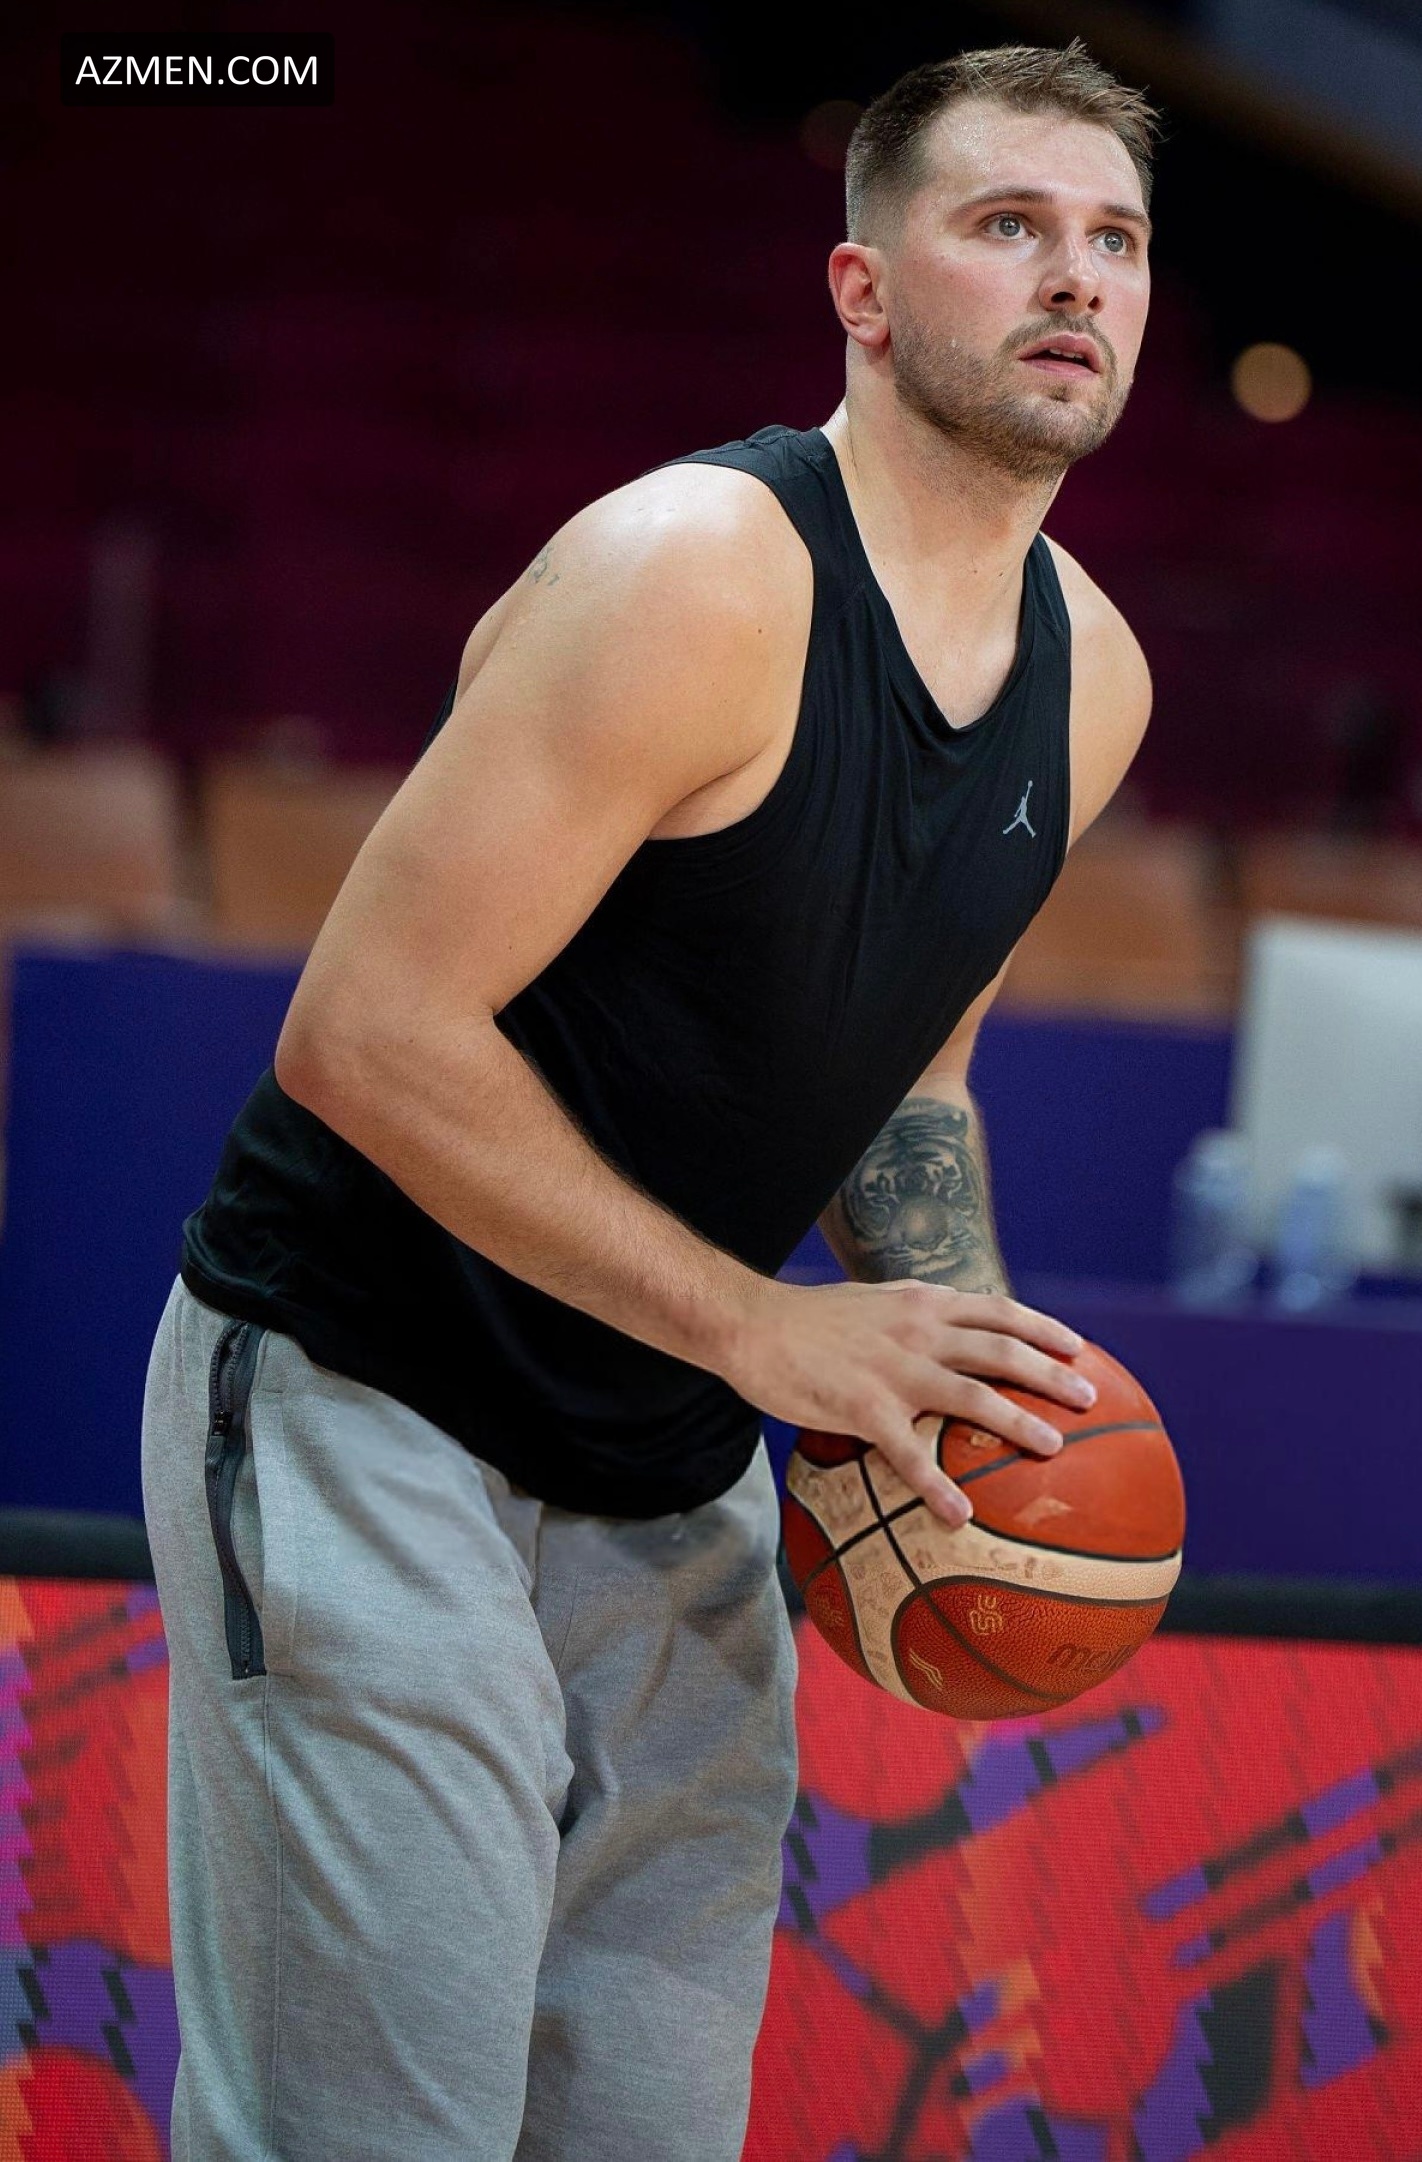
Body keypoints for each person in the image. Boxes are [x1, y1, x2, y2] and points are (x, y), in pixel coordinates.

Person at [143, 38, 1159, 2162]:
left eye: (1114, 239)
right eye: (1008, 226)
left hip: (667, 1452)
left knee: (642, 2127)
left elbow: (915, 1067)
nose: (1076, 277)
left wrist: (956, 1386)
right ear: (863, 291)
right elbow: (363, 1032)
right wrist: (766, 1330)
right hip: (370, 1387)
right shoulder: (692, 570)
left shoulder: (1098, 675)